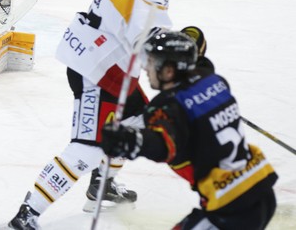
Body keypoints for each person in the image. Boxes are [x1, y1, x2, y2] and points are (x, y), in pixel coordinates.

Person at [8, 0, 176, 230]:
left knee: (140, 119)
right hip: (100, 73)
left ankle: (104, 184)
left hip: (99, 60)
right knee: (86, 148)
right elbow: (151, 41)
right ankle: (27, 212)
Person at [100, 30, 278, 229]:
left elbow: (164, 143)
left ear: (168, 71)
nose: (145, 68)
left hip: (231, 209)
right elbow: (203, 67)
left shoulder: (168, 105)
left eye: (151, 62)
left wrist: (131, 141)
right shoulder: (215, 81)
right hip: (262, 192)